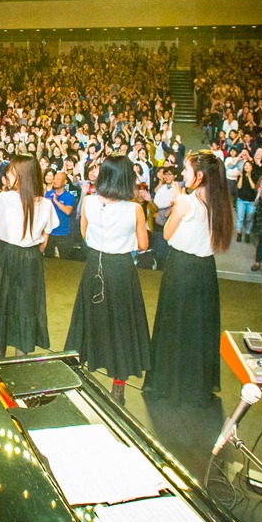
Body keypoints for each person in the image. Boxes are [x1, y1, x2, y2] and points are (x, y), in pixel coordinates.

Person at [143, 150, 232, 406]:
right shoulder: (219, 201)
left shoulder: (187, 202)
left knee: (174, 326)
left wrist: (176, 203)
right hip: (205, 271)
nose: (183, 173)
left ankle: (169, 382)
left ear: (200, 175)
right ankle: (196, 385)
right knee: (199, 329)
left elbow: (168, 234)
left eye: (186, 169)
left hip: (182, 269)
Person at [64, 155, 151, 403]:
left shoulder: (90, 202)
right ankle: (118, 388)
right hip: (122, 269)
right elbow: (143, 244)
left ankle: (75, 375)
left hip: (94, 264)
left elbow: (84, 234)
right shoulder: (135, 209)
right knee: (121, 325)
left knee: (88, 318)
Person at [0, 154, 59, 358]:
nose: (7, 174)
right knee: (25, 307)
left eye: (11, 170)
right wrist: (29, 254)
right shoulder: (45, 204)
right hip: (30, 258)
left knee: (1, 303)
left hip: (4, 255)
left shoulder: (2, 198)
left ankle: (0, 360)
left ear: (22, 175)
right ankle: (19, 364)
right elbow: (44, 242)